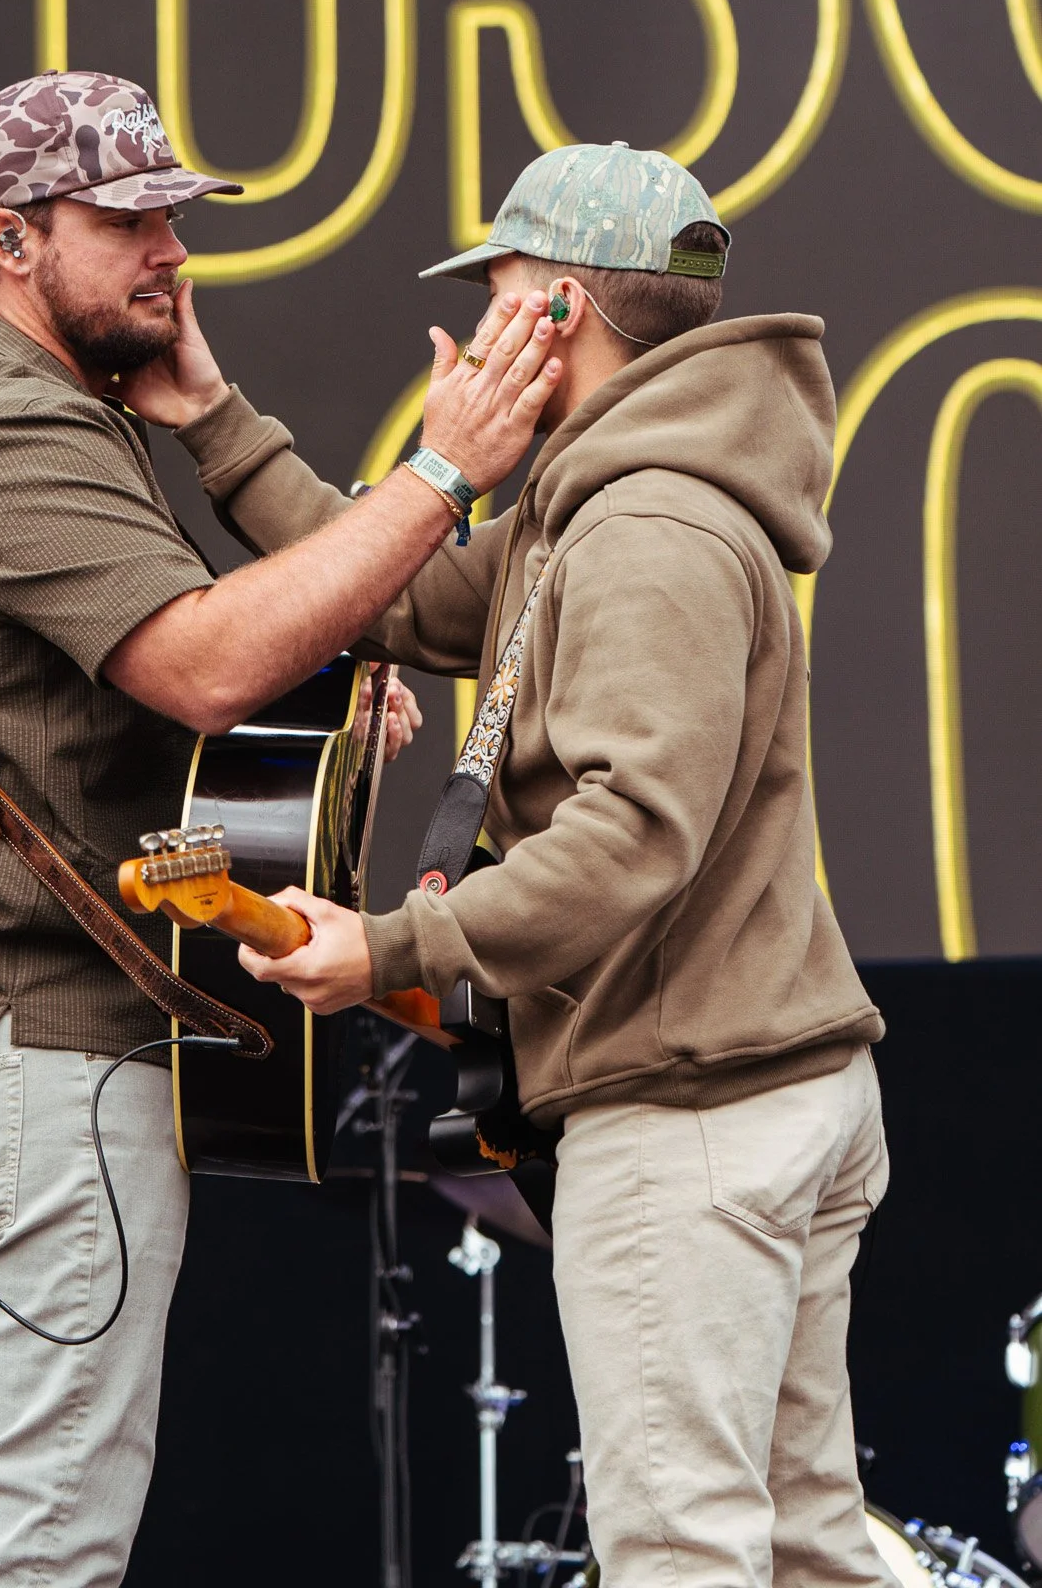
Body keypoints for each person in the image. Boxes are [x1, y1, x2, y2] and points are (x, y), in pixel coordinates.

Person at [0, 68, 563, 1588]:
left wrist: (319, 661)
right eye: (126, 219)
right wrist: (443, 474)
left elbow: (191, 692)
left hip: (5, 1051)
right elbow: (212, 660)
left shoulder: (44, 406)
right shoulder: (3, 430)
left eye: (177, 214)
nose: (170, 249)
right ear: (10, 238)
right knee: (37, 1547)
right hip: (26, 1056)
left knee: (37, 1529)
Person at [134, 140, 895, 1588]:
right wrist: (216, 417)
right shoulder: (601, 502)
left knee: (686, 1554)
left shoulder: (649, 526)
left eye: (495, 299)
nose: (475, 336)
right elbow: (399, 584)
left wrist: (390, 949)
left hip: (693, 1119)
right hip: (743, 1095)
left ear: (555, 315)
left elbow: (630, 841)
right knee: (802, 1550)